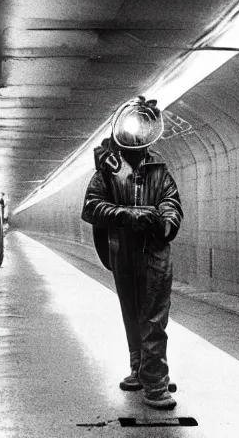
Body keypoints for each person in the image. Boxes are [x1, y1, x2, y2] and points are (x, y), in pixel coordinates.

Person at [81, 97, 183, 409]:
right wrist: (128, 214)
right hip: (122, 252)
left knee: (152, 318)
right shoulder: (107, 171)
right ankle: (140, 369)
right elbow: (91, 206)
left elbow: (171, 203)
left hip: (153, 253)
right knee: (132, 314)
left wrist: (165, 222)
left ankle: (155, 383)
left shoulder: (159, 171)